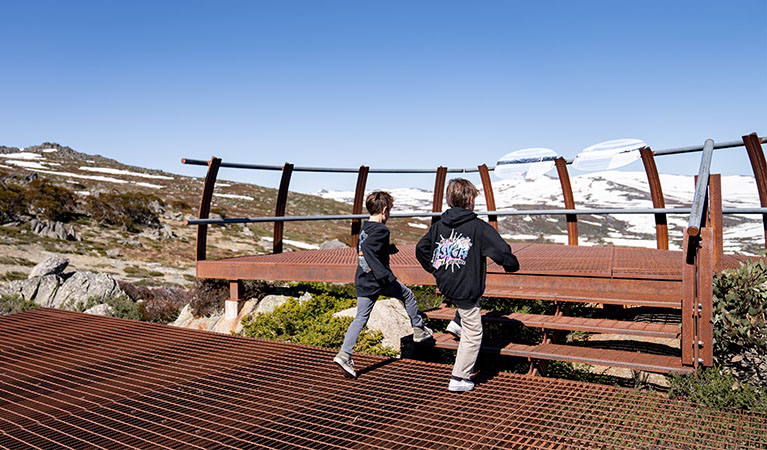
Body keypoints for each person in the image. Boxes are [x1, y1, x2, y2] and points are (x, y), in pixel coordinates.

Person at [416, 178, 519, 392]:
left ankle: (456, 323)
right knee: (474, 334)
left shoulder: (438, 226)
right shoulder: (478, 227)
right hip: (465, 288)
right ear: (470, 200)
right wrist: (511, 265)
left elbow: (421, 249)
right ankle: (459, 378)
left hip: (447, 283)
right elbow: (502, 251)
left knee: (467, 292)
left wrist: (436, 268)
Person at [334, 190, 433, 379]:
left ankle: (344, 354)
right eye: (390, 212)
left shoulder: (365, 229)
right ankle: (419, 330)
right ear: (385, 210)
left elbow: (365, 248)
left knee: (360, 317)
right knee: (407, 295)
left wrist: (388, 249)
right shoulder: (381, 230)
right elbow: (370, 253)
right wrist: (385, 276)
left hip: (363, 280)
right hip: (377, 281)